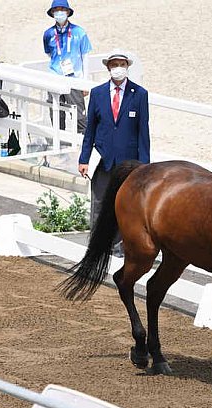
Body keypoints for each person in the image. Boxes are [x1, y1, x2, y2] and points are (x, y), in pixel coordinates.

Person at [78, 50, 150, 255]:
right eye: (114, 64)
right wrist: (84, 159)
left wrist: (144, 165)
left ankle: (119, 246)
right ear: (108, 67)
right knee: (99, 203)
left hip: (128, 162)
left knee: (124, 205)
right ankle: (97, 245)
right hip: (103, 158)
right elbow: (90, 129)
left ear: (127, 67)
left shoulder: (139, 94)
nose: (118, 68)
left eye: (122, 64)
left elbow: (143, 131)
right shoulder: (98, 93)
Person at [43, 0, 92, 133]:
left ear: (68, 12)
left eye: (62, 9)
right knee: (57, 115)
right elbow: (49, 53)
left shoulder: (79, 32)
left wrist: (85, 81)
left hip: (74, 78)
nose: (59, 12)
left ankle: (84, 147)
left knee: (80, 118)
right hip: (55, 78)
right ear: (52, 13)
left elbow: (85, 56)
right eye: (56, 10)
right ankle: (60, 149)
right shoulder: (48, 34)